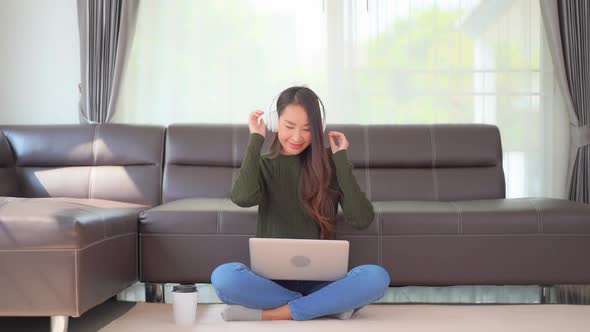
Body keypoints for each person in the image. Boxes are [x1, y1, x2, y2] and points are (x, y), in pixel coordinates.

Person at [211, 86, 390, 321]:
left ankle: (273, 314)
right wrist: (256, 139)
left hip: (323, 283)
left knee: (377, 277)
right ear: (275, 123)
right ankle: (328, 307)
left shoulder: (331, 163)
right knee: (224, 278)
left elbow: (362, 218)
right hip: (271, 283)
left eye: (307, 129)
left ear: (318, 129)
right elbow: (242, 198)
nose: (297, 137)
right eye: (289, 127)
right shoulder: (265, 165)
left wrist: (341, 159)